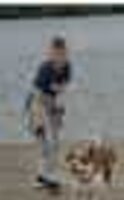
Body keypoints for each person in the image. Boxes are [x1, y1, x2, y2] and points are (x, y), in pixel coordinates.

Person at [28, 36, 71, 189]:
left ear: (66, 52)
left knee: (56, 142)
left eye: (63, 53)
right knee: (45, 144)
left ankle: (44, 176)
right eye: (56, 53)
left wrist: (59, 111)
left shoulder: (67, 67)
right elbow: (37, 95)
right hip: (37, 104)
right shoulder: (45, 68)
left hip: (52, 104)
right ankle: (46, 176)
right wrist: (38, 119)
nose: (60, 56)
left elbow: (62, 90)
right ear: (51, 53)